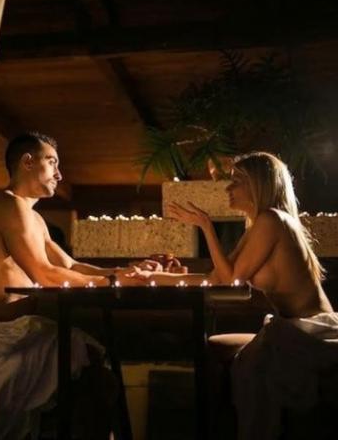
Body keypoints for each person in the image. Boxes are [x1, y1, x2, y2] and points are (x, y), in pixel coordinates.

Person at [132, 151, 338, 439]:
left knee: (233, 360)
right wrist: (154, 278)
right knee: (219, 350)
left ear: (258, 185)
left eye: (236, 181)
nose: (228, 188)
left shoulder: (272, 220)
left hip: (310, 331)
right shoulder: (259, 226)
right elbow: (214, 279)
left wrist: (207, 227)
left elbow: (230, 280)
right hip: (288, 327)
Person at [0, 132, 131, 439]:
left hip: (22, 333)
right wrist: (108, 282)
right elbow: (45, 274)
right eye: (52, 162)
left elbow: (69, 266)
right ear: (28, 162)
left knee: (98, 373)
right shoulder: (7, 205)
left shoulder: (34, 218)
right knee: (93, 371)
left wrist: (127, 272)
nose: (59, 174)